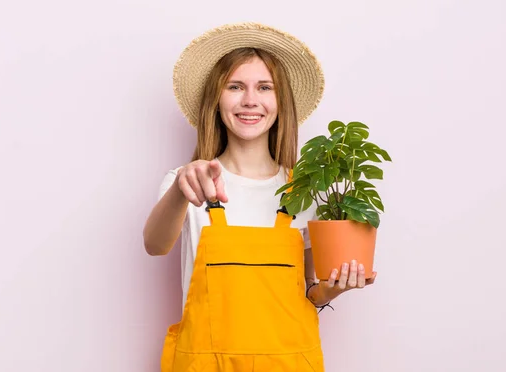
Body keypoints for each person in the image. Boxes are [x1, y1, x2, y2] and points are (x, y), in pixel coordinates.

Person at [143, 22, 376, 371]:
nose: (250, 100)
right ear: (216, 100)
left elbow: (307, 292)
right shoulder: (188, 183)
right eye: (235, 86)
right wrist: (180, 190)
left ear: (280, 102)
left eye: (264, 87)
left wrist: (332, 290)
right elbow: (154, 244)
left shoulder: (305, 191)